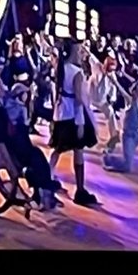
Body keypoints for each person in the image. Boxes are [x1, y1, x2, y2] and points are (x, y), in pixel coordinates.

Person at [0, 73, 59, 209]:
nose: (1, 87)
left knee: (37, 157)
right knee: (35, 160)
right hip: (13, 149)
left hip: (19, 143)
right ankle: (41, 193)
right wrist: (10, 167)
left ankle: (44, 190)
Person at [48, 39, 99, 206]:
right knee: (78, 149)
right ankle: (80, 190)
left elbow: (56, 94)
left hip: (60, 113)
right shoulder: (77, 72)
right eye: (78, 50)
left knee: (58, 148)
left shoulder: (60, 68)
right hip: (72, 115)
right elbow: (79, 99)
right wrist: (81, 122)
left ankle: (48, 178)